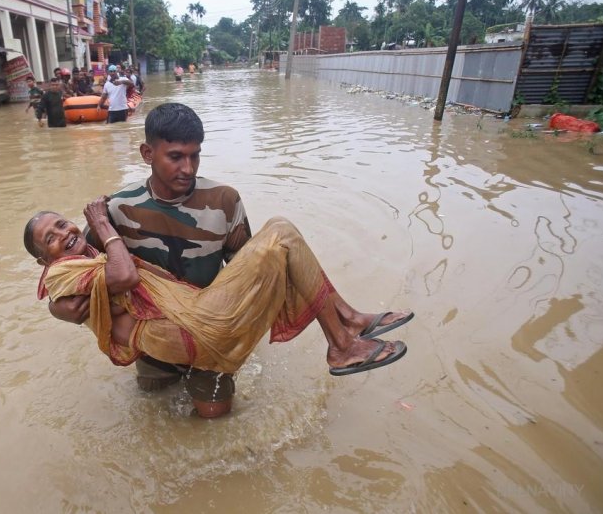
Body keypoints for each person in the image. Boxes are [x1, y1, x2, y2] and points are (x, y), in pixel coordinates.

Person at [43, 103, 414, 418]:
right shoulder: (116, 210)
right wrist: (58, 311)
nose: (187, 168)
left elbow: (251, 272)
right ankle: (345, 325)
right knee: (153, 412)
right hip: (153, 345)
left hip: (211, 330)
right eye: (175, 157)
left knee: (215, 423)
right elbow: (73, 271)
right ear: (146, 154)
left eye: (195, 154)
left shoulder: (224, 201)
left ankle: (343, 329)